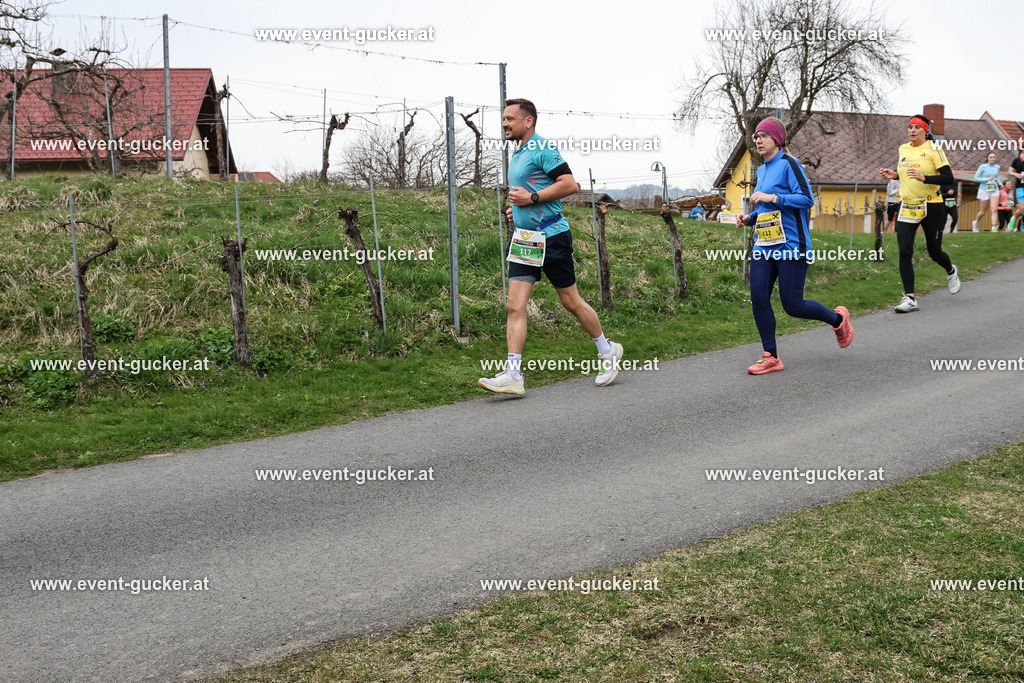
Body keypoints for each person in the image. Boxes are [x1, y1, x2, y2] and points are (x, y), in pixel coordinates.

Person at [478, 98, 623, 395]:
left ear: (528, 121)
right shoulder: (518, 153)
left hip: (551, 236)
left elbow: (570, 185)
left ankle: (607, 351)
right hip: (525, 239)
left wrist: (531, 200)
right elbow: (528, 192)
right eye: (503, 119)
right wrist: (516, 210)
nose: (504, 123)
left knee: (570, 302)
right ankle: (514, 375)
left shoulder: (541, 148)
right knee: (514, 305)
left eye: (510, 119)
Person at [734, 117, 853, 375]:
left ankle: (838, 320)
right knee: (758, 295)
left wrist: (772, 196)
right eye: (756, 136)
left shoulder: (790, 164)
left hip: (791, 245)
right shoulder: (762, 170)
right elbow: (767, 208)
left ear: (777, 139)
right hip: (765, 244)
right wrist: (750, 218)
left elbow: (807, 199)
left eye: (764, 135)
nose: (758, 140)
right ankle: (771, 356)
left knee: (793, 305)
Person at [880, 114, 961, 313]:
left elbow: (948, 178)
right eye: (910, 127)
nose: (912, 130)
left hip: (932, 205)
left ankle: (950, 270)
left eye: (917, 127)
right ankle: (910, 299)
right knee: (905, 250)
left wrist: (925, 178)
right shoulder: (903, 149)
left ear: (925, 131)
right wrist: (895, 175)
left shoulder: (934, 149)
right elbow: (906, 172)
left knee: (934, 251)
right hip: (907, 205)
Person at [972, 152, 1001, 231]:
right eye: (990, 157)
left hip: (994, 189)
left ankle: (994, 227)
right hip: (984, 189)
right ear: (987, 158)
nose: (992, 159)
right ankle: (976, 222)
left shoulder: (997, 167)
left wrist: (1001, 184)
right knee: (983, 211)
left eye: (994, 157)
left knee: (994, 209)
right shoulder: (982, 167)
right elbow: (976, 178)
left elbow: (996, 177)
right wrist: (986, 179)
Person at [1007, 149, 1024, 231]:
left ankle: (1015, 218)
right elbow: (1009, 171)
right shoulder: (1016, 161)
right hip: (1020, 188)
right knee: (1022, 208)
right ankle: (1015, 219)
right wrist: (1016, 174)